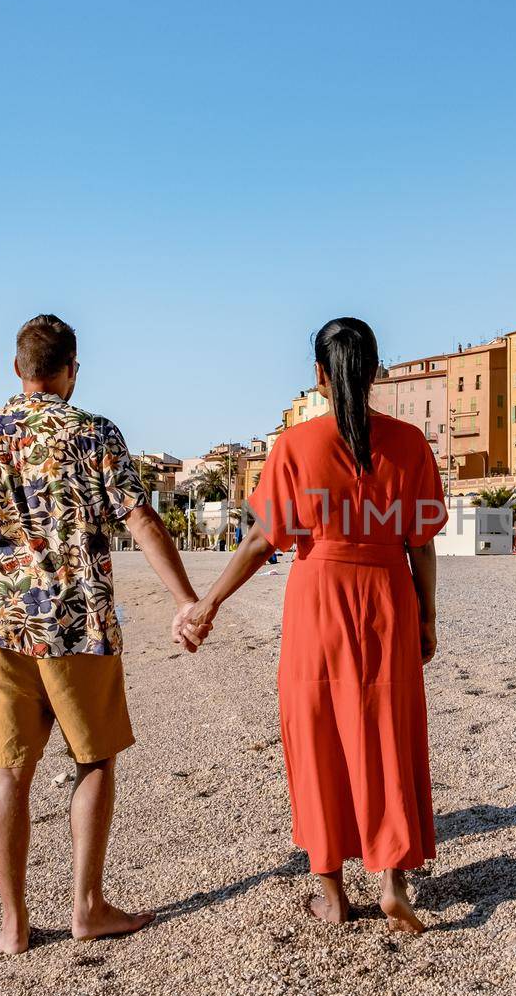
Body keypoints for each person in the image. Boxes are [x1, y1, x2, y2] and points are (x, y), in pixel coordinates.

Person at [0, 314, 206, 954]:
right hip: (80, 628)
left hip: (2, 630)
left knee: (8, 773)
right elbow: (141, 521)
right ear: (72, 369)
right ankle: (86, 908)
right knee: (92, 761)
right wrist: (186, 600)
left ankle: (12, 925)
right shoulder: (95, 433)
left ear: (16, 369)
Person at [176, 317, 447, 932]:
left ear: (320, 376)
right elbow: (422, 543)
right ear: (376, 371)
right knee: (387, 734)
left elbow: (261, 542)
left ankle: (331, 893)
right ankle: (394, 881)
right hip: (388, 595)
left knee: (317, 735)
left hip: (318, 599)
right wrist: (427, 617)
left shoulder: (296, 447)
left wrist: (208, 603)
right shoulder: (409, 444)